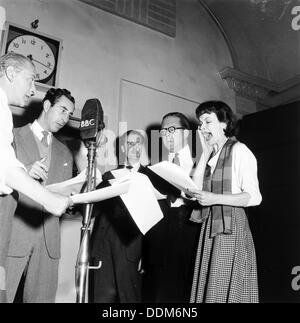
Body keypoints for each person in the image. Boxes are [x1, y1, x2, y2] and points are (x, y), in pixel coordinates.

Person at [0, 52, 71, 303]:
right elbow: (6, 170)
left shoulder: (65, 152)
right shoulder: (11, 129)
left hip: (48, 241)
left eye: (69, 114)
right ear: (47, 105)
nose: (33, 90)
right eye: (62, 110)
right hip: (14, 236)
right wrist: (28, 174)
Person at [188, 100, 262, 303]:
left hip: (230, 225)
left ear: (223, 123)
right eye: (200, 123)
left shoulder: (239, 150)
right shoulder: (212, 156)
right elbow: (194, 190)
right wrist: (203, 154)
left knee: (224, 287)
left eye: (208, 121)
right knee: (212, 288)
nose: (202, 127)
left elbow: (254, 197)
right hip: (212, 223)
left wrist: (214, 198)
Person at [142, 112, 200, 303]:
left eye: (172, 129)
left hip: (188, 229)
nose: (166, 134)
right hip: (160, 234)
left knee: (185, 289)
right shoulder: (157, 166)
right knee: (157, 291)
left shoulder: (200, 163)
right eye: (163, 131)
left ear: (186, 134)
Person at [90, 130, 148, 303]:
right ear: (123, 147)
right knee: (101, 298)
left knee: (128, 298)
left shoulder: (151, 177)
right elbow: (93, 211)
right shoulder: (108, 177)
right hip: (102, 248)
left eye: (138, 142)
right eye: (130, 143)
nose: (134, 146)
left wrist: (147, 254)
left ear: (142, 146)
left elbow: (155, 221)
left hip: (131, 248)